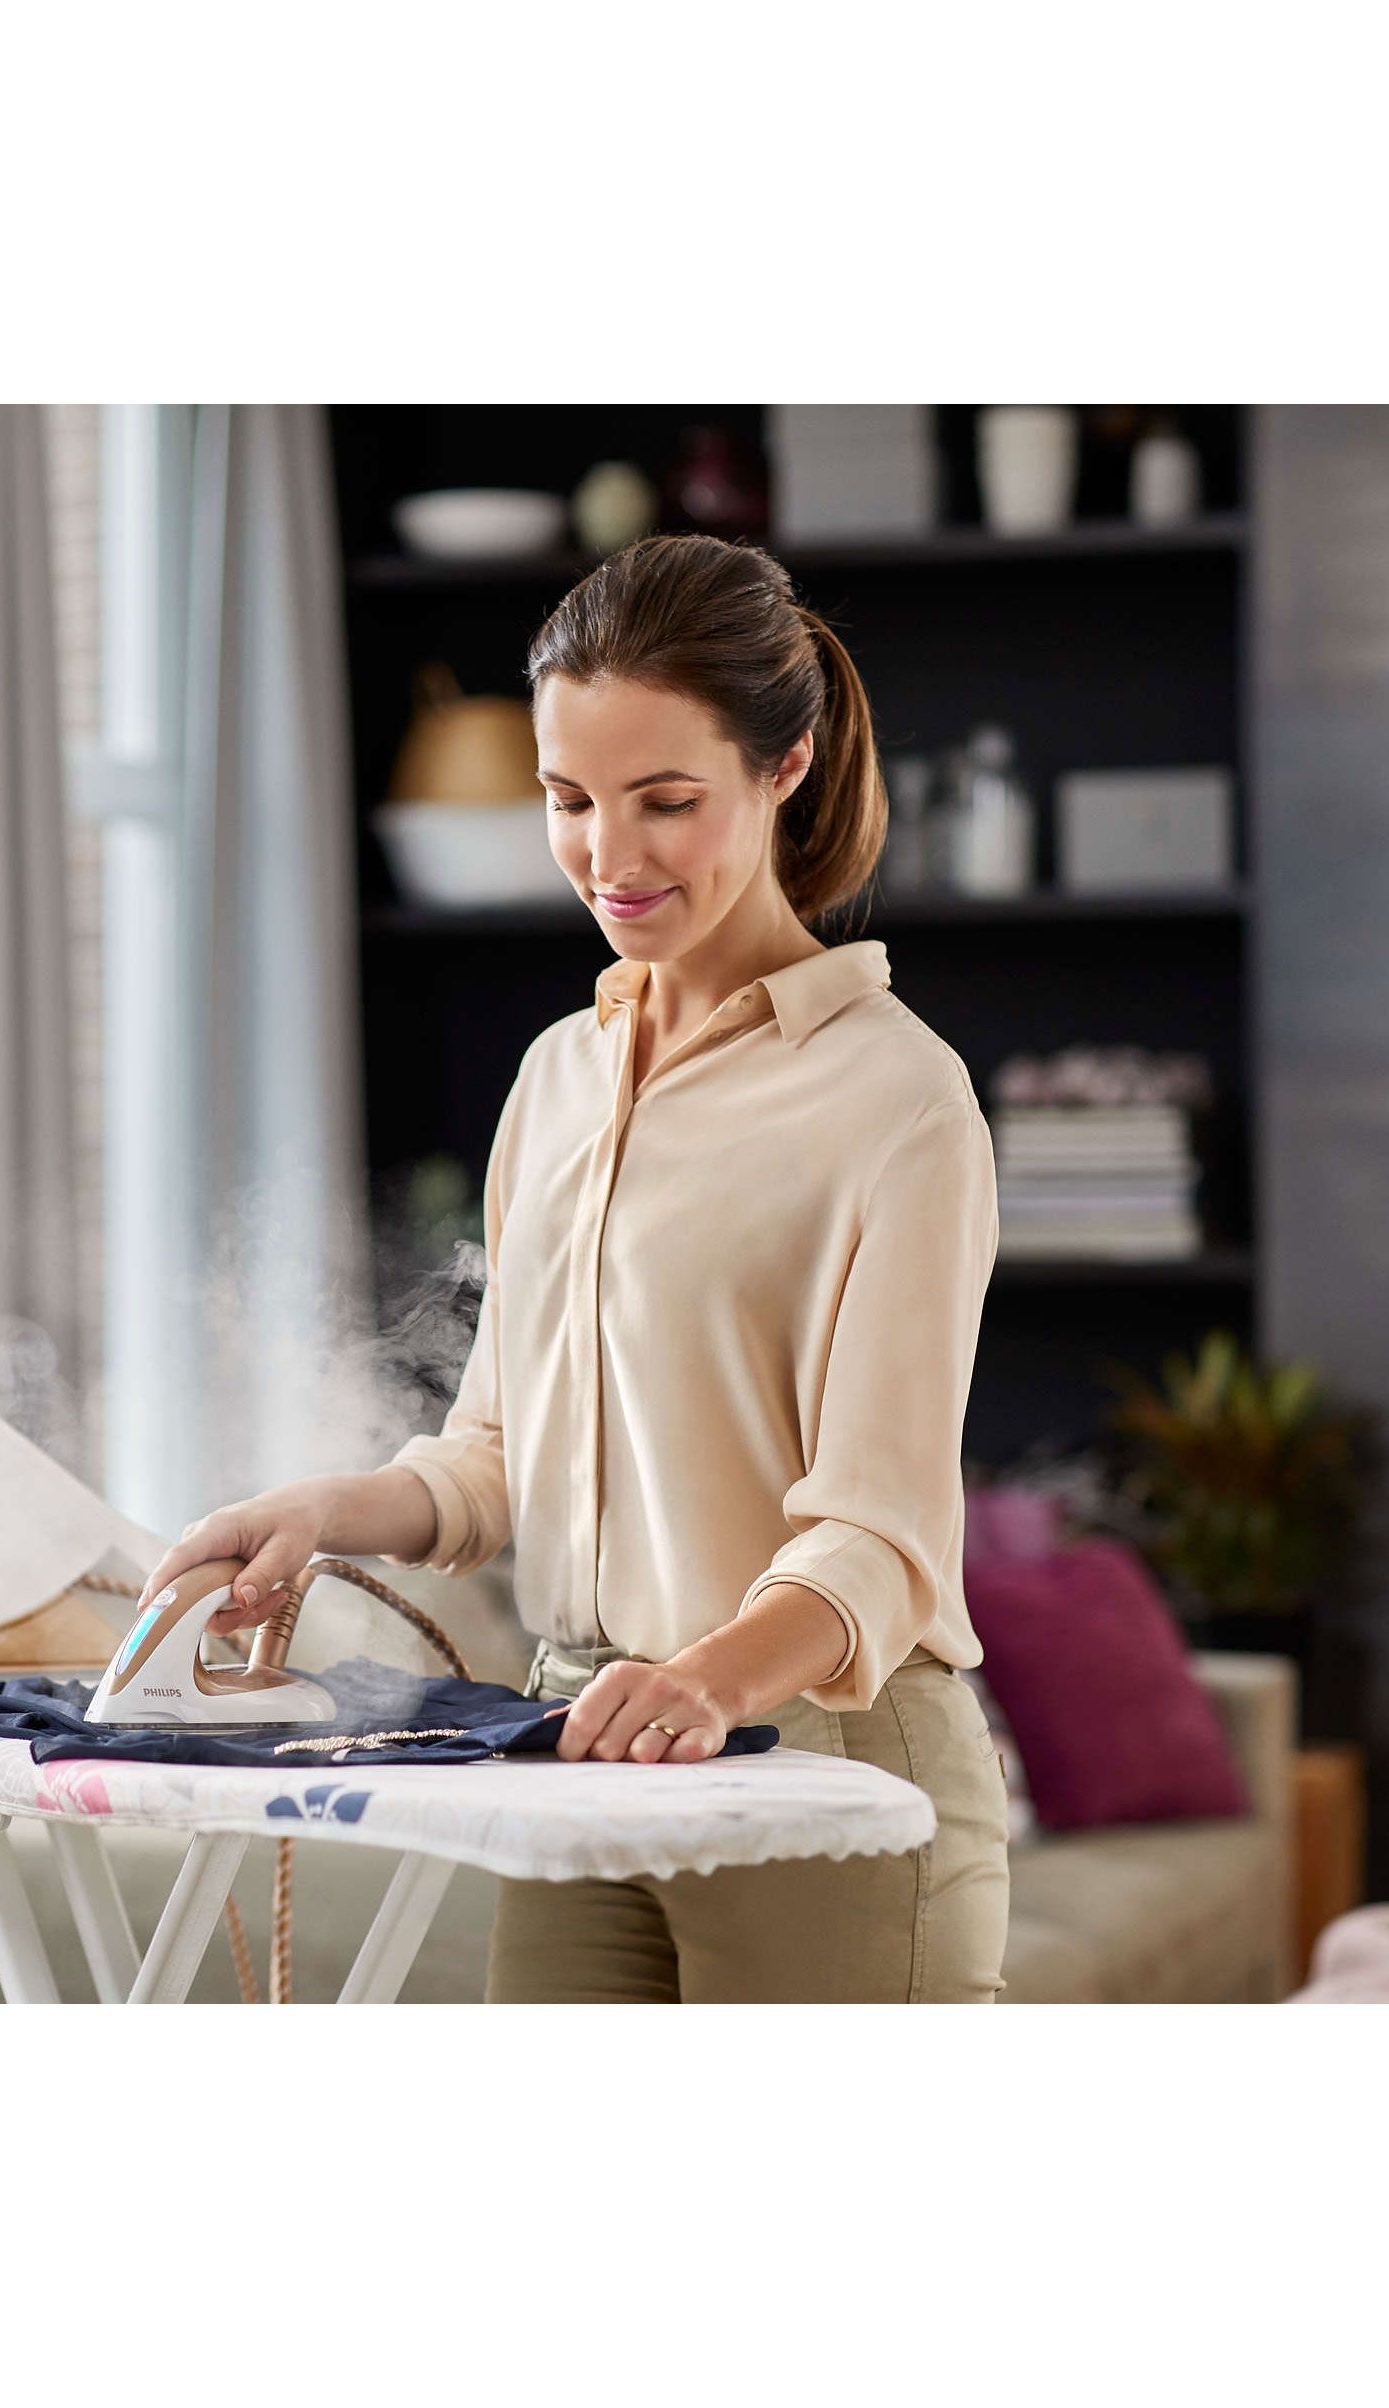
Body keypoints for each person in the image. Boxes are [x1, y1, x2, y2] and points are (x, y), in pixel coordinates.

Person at [130, 534, 1008, 2003]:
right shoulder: (557, 1078)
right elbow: (499, 1454)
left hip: (820, 1761)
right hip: (583, 1742)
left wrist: (705, 1680)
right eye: (568, 800)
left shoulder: (900, 1101)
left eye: (667, 801)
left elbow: (881, 1538)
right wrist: (322, 1512)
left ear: (784, 767)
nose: (611, 856)